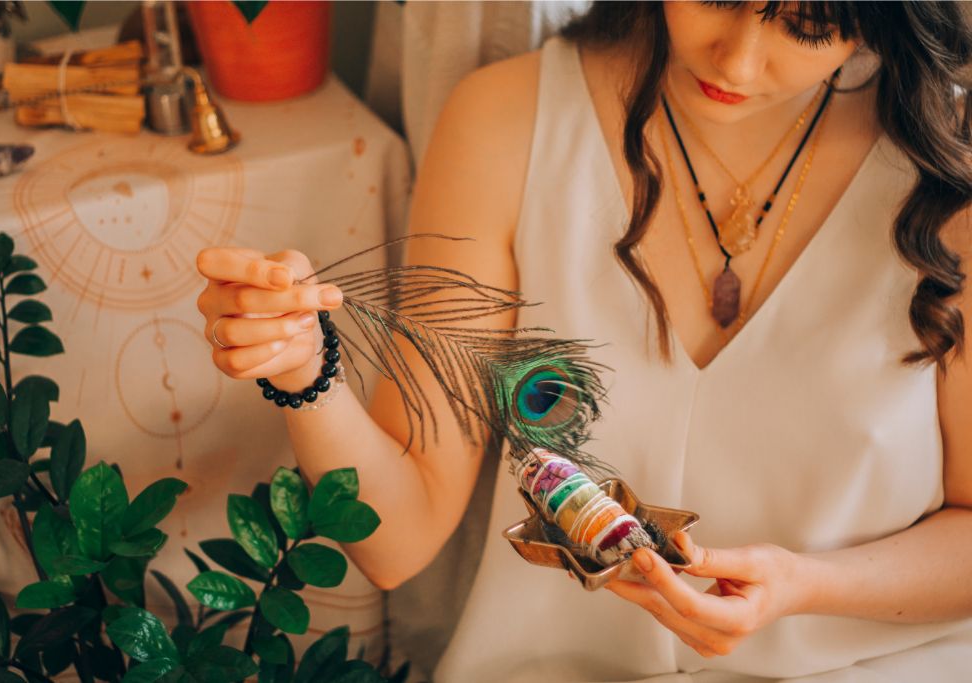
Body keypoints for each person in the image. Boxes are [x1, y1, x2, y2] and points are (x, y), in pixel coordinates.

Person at [195, 2, 972, 680]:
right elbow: (396, 540)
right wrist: (305, 371)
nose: (737, 57)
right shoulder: (507, 121)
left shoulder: (947, 167)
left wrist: (804, 586)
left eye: (810, 24)